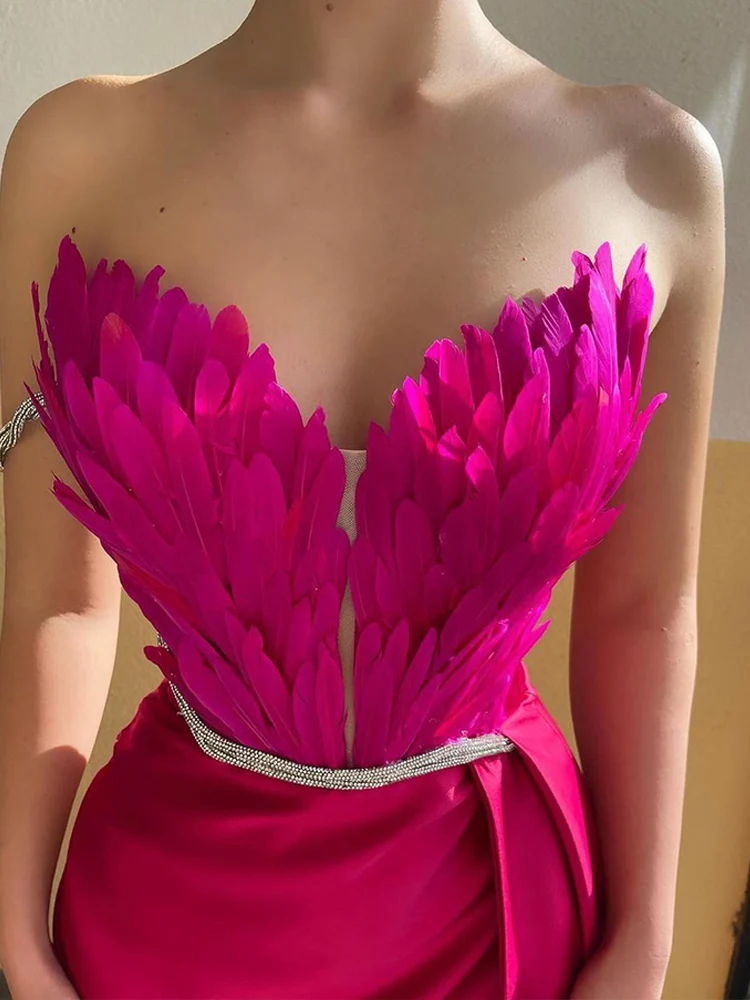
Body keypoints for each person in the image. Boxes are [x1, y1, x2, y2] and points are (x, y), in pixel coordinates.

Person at [0, 1, 725, 997]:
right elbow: (53, 600)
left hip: (494, 922)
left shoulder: (652, 170)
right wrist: (14, 939)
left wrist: (640, 950)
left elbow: (643, 608)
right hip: (163, 921)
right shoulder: (74, 156)